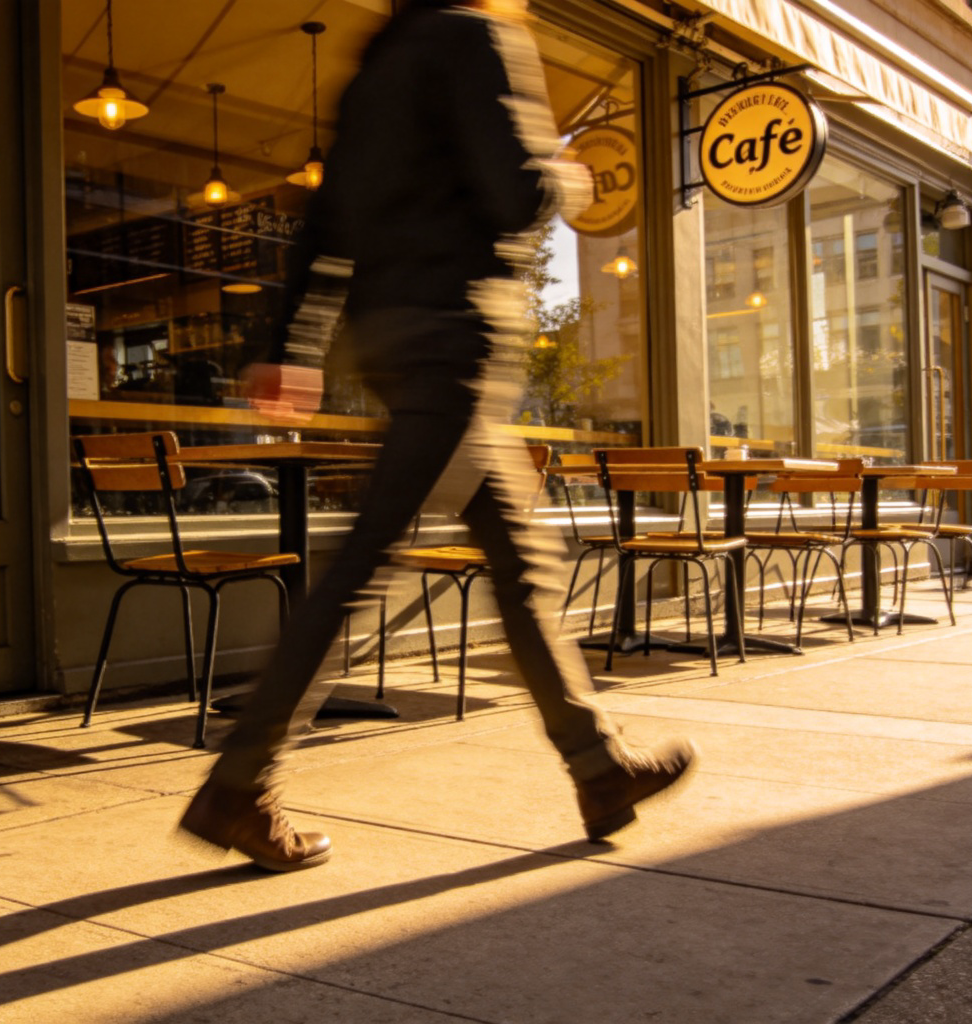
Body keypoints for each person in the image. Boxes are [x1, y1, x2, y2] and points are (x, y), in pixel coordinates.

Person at [179, 0, 695, 871]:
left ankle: (599, 767)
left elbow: (324, 223)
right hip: (455, 339)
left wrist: (289, 347)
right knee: (362, 565)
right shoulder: (478, 37)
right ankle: (238, 784)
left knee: (520, 564)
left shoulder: (377, 67)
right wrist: (562, 173)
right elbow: (516, 194)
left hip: (390, 338)